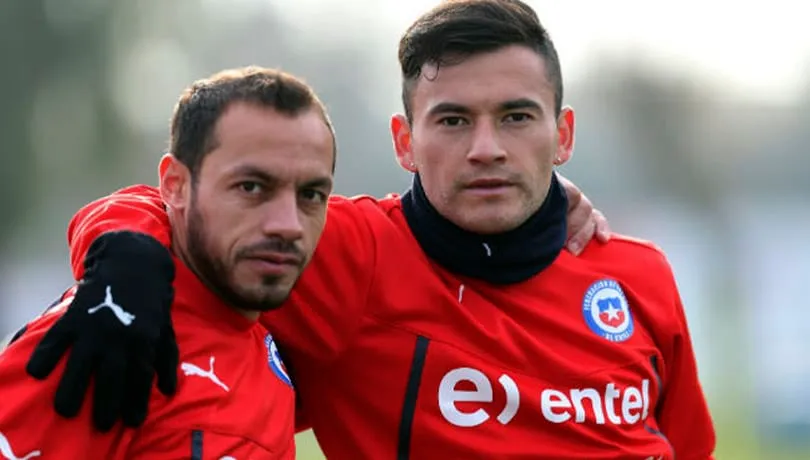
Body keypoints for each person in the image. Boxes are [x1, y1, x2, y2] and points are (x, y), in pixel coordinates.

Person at [26, 0, 718, 458]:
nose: (487, 148)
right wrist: (125, 255)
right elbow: (192, 206)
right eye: (452, 120)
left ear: (561, 135)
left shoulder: (636, 274)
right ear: (403, 142)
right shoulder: (347, 254)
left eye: (516, 116)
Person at [0, 67, 339, 458]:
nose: (288, 225)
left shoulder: (266, 338)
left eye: (311, 195)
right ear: (174, 186)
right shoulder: (109, 335)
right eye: (251, 187)